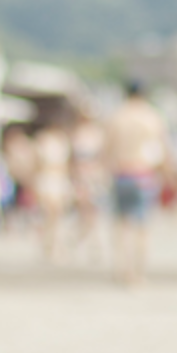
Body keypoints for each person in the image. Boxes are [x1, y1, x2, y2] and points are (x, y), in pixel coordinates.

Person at [103, 81, 171, 287]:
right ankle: (139, 273)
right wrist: (169, 175)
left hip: (121, 174)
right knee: (142, 228)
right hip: (144, 174)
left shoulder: (116, 116)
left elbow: (107, 149)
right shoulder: (152, 117)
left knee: (122, 226)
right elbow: (164, 149)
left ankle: (122, 269)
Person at [69, 107, 107, 262]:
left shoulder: (98, 134)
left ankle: (88, 243)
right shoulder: (76, 134)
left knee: (92, 212)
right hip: (81, 177)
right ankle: (85, 242)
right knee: (85, 210)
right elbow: (71, 160)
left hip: (93, 177)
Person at [33, 123, 73, 262]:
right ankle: (50, 245)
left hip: (57, 180)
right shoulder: (43, 141)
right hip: (48, 179)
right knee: (51, 214)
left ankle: (54, 245)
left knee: (57, 215)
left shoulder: (62, 141)